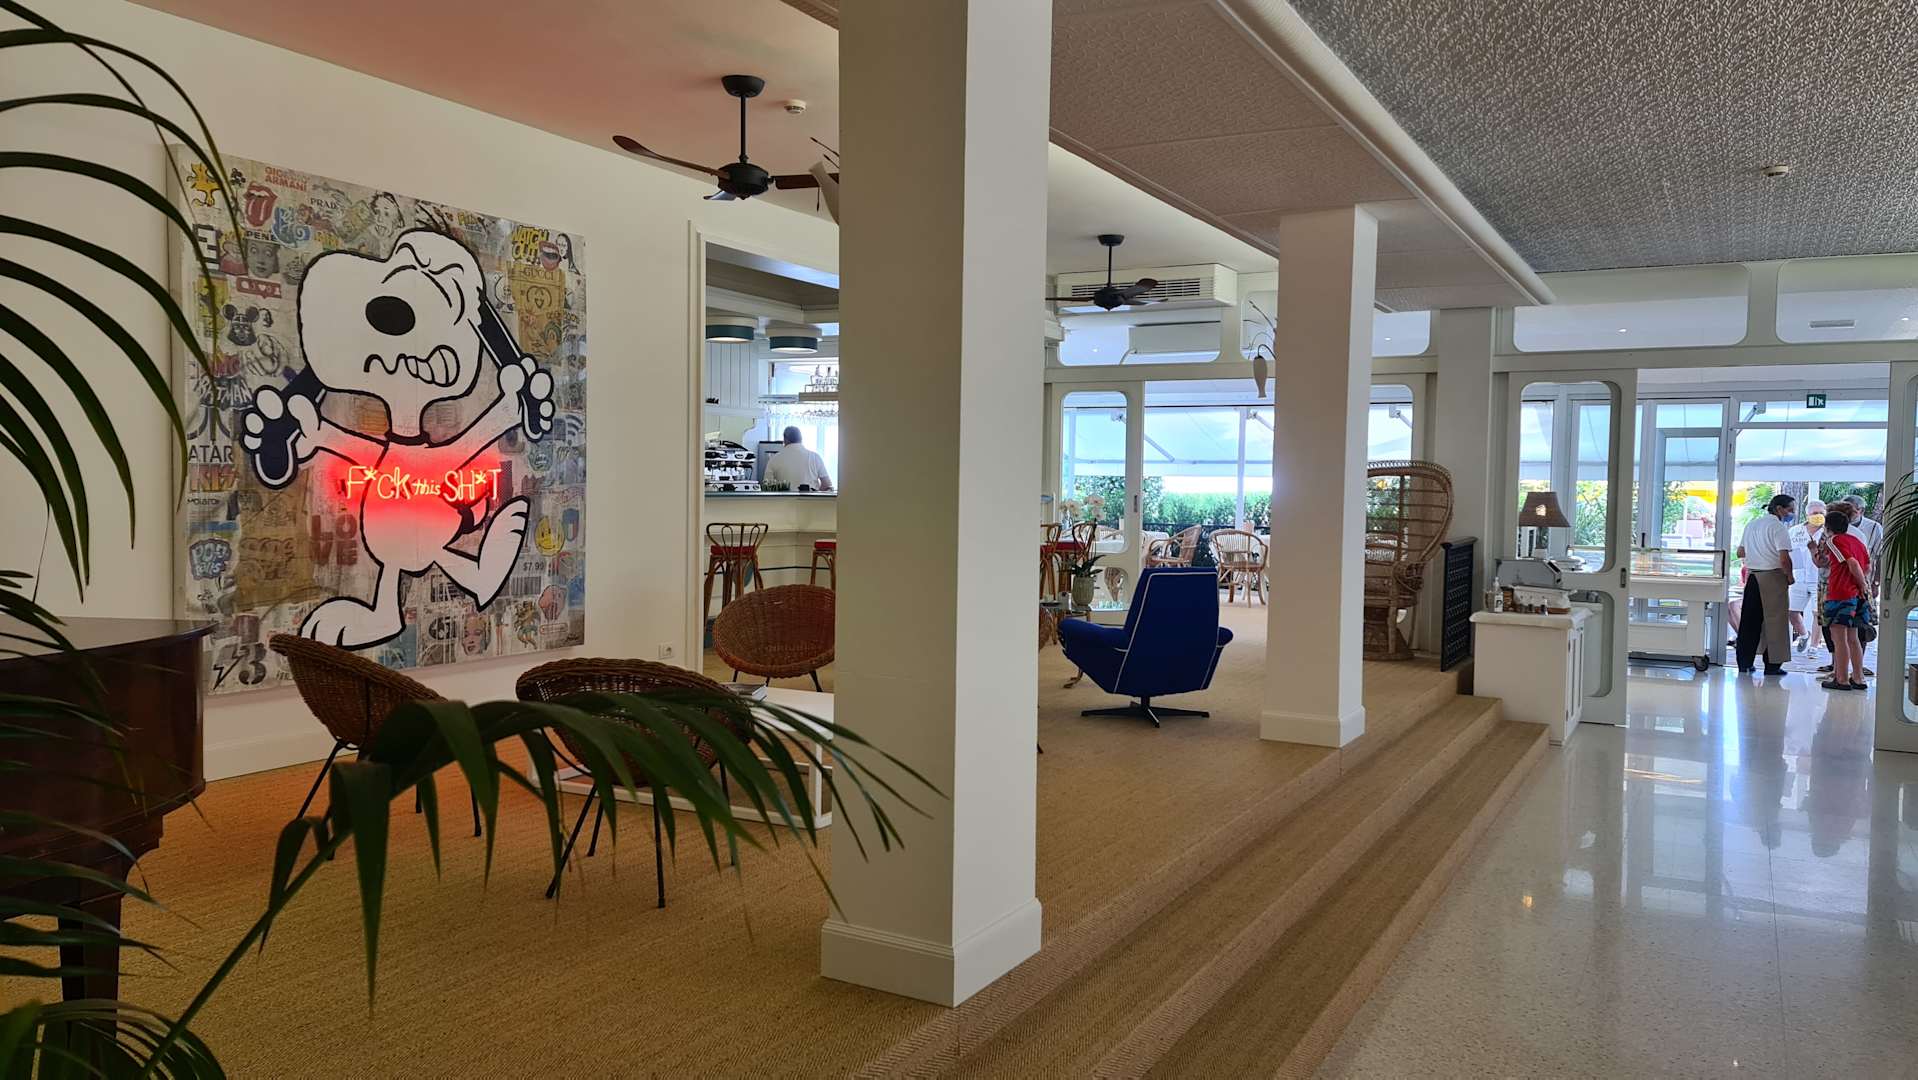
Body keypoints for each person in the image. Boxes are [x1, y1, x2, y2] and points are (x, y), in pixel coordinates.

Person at [1734, 494, 1795, 675]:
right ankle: (1772, 665)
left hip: (1753, 577)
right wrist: (1789, 576)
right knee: (1775, 622)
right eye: (1790, 509)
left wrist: (1757, 552)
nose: (1792, 513)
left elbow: (1740, 552)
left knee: (1749, 621)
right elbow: (1784, 558)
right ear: (1779, 509)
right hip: (1773, 576)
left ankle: (1744, 662)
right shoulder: (1778, 527)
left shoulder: (1752, 525)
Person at [1819, 510, 1871, 692]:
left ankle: (1841, 678)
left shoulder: (1834, 540)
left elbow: (1852, 563)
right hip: (1857, 595)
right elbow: (1867, 566)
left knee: (1838, 638)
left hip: (1840, 593)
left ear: (1827, 527)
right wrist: (1862, 585)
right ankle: (1858, 677)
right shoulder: (1857, 541)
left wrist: (1860, 584)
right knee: (1853, 637)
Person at [1786, 500, 1823, 653]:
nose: (1818, 516)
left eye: (1821, 513)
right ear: (1807, 515)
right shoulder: (1795, 531)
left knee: (1817, 613)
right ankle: (1804, 635)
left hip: (1819, 578)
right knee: (1792, 612)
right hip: (1798, 578)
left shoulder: (1828, 532)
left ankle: (1814, 646)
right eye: (1815, 513)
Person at [763, 425, 833, 491]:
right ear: (801, 439)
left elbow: (767, 487)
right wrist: (815, 494)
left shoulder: (774, 459)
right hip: (810, 499)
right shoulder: (815, 457)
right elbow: (827, 484)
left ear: (785, 440)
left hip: (783, 499)